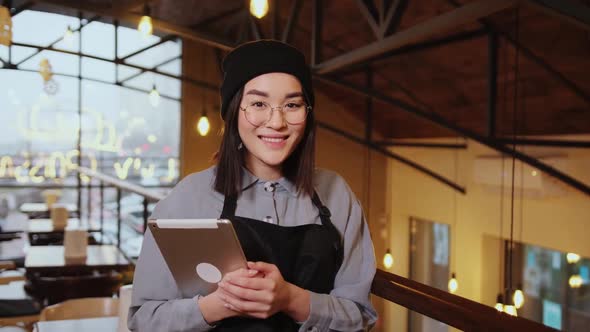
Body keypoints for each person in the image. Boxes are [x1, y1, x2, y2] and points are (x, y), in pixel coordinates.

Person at [128, 40, 377, 332]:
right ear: (234, 112)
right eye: (258, 103)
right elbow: (144, 319)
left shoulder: (337, 195)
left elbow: (361, 316)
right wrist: (218, 304)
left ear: (307, 114)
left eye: (292, 105)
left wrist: (289, 299)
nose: (277, 121)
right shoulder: (188, 198)